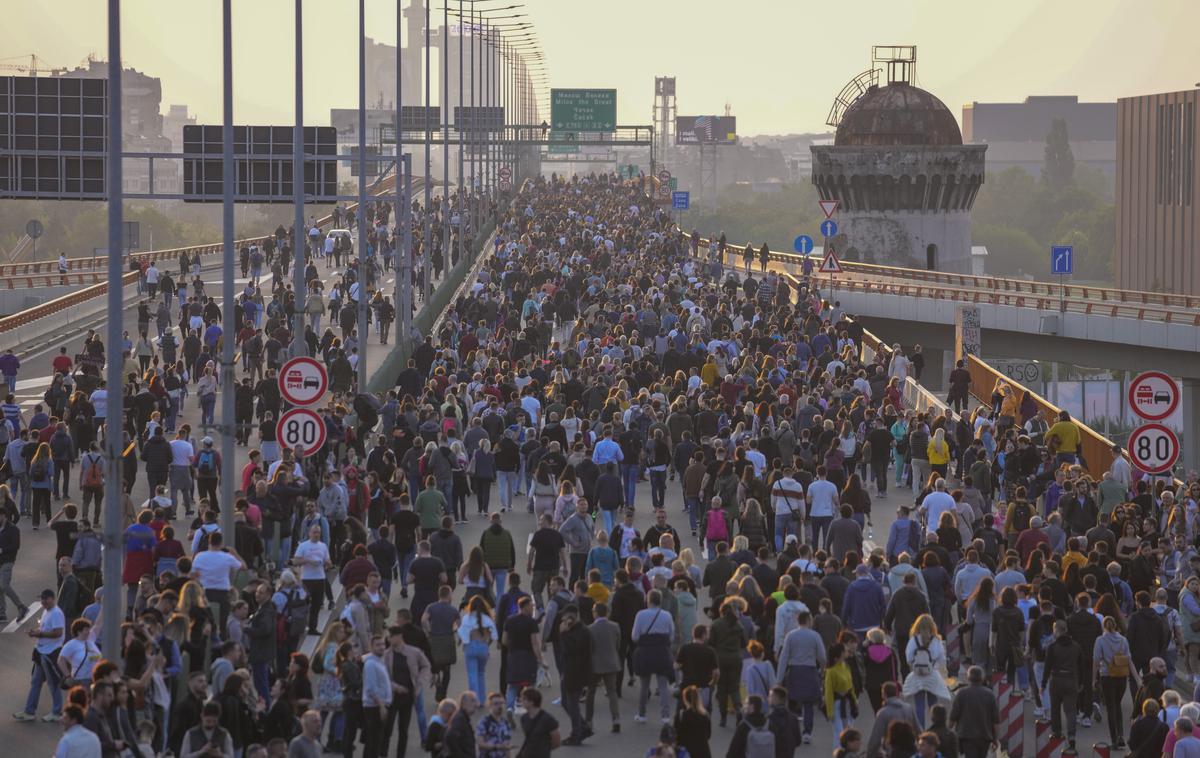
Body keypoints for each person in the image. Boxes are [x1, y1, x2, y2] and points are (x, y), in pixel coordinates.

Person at [13, 588, 66, 723]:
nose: (43, 602)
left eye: (46, 599)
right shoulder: (46, 611)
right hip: (41, 652)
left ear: (52, 599)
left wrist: (39, 634)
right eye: (42, 599)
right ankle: (29, 711)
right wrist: (35, 631)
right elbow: (45, 629)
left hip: (50, 652)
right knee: (35, 682)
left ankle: (57, 712)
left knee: (53, 683)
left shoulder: (56, 613)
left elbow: (58, 633)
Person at [1094, 614, 1136, 749]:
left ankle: (1114, 740)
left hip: (1107, 676)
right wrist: (1136, 677)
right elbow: (1129, 659)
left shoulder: (1100, 640)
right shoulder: (1123, 640)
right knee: (1117, 704)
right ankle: (1121, 735)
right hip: (1121, 677)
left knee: (1110, 707)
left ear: (1104, 626)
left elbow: (1096, 661)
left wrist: (1093, 679)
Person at [948, 666, 999, 758]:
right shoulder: (990, 694)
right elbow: (995, 721)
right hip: (985, 736)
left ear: (968, 677)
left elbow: (953, 716)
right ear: (982, 678)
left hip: (967, 736)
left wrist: (948, 731)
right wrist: (995, 739)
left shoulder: (962, 693)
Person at [517, 687, 561, 758]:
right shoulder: (524, 718)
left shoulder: (548, 719)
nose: (520, 700)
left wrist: (544, 749)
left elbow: (557, 742)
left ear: (531, 702)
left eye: (524, 699)